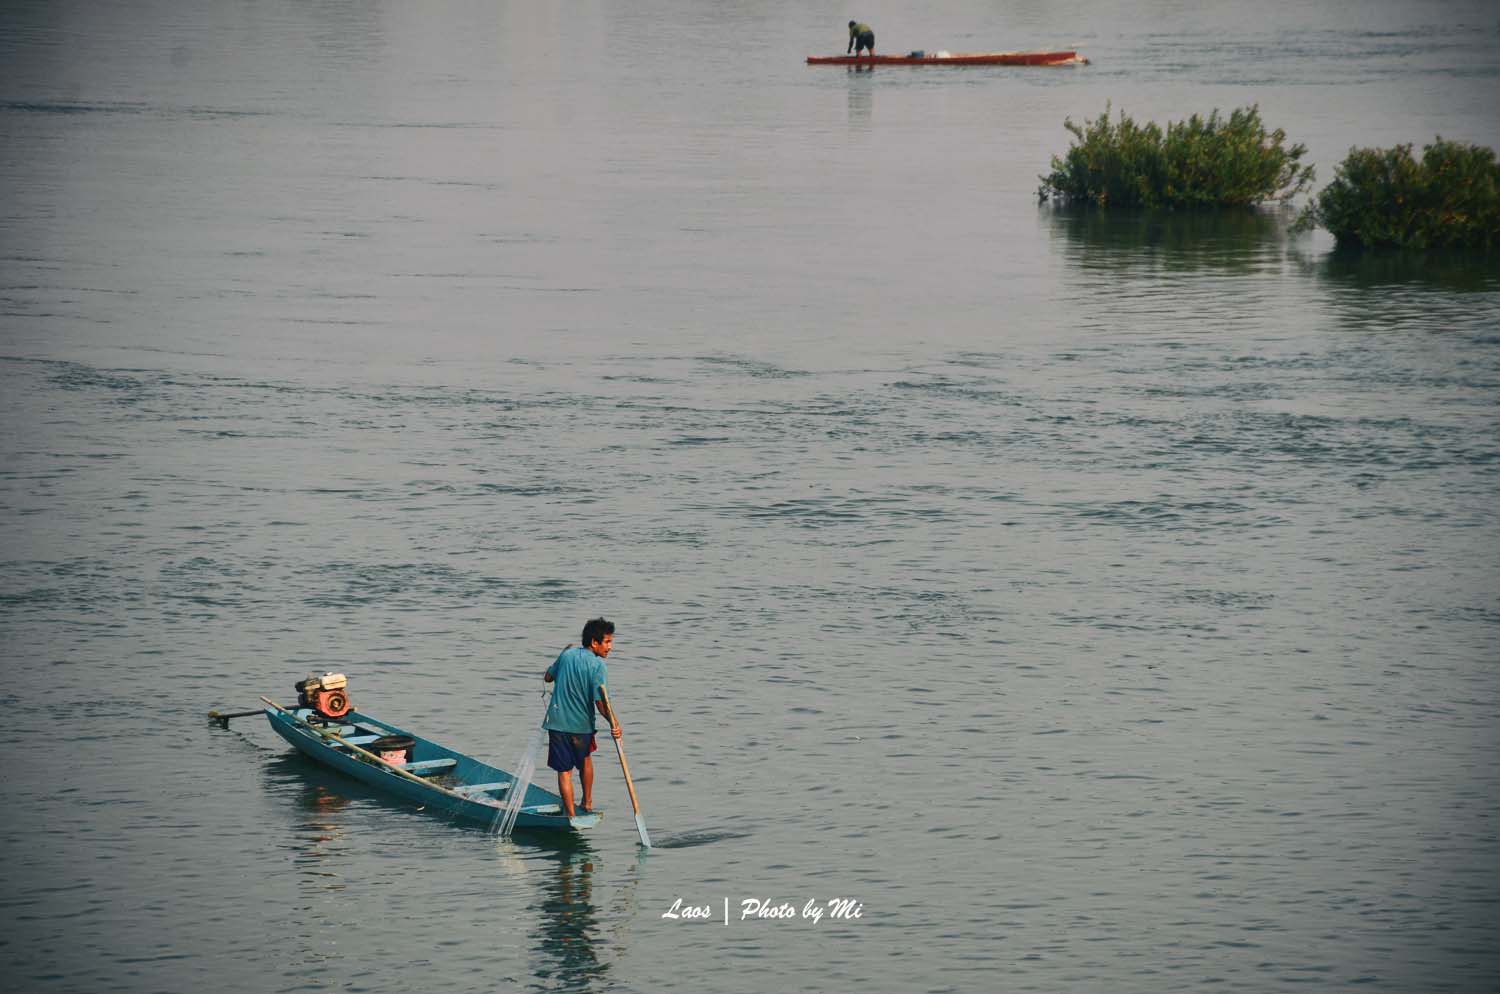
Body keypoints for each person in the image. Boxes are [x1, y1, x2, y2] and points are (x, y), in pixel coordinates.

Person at [542, 617, 622, 818]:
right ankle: (587, 803)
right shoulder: (597, 666)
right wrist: (615, 724)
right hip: (581, 727)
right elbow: (601, 703)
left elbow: (547, 677)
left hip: (558, 723)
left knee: (564, 771)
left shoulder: (567, 655)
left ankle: (571, 815)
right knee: (585, 759)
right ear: (594, 643)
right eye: (607, 642)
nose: (610, 647)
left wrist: (561, 655)